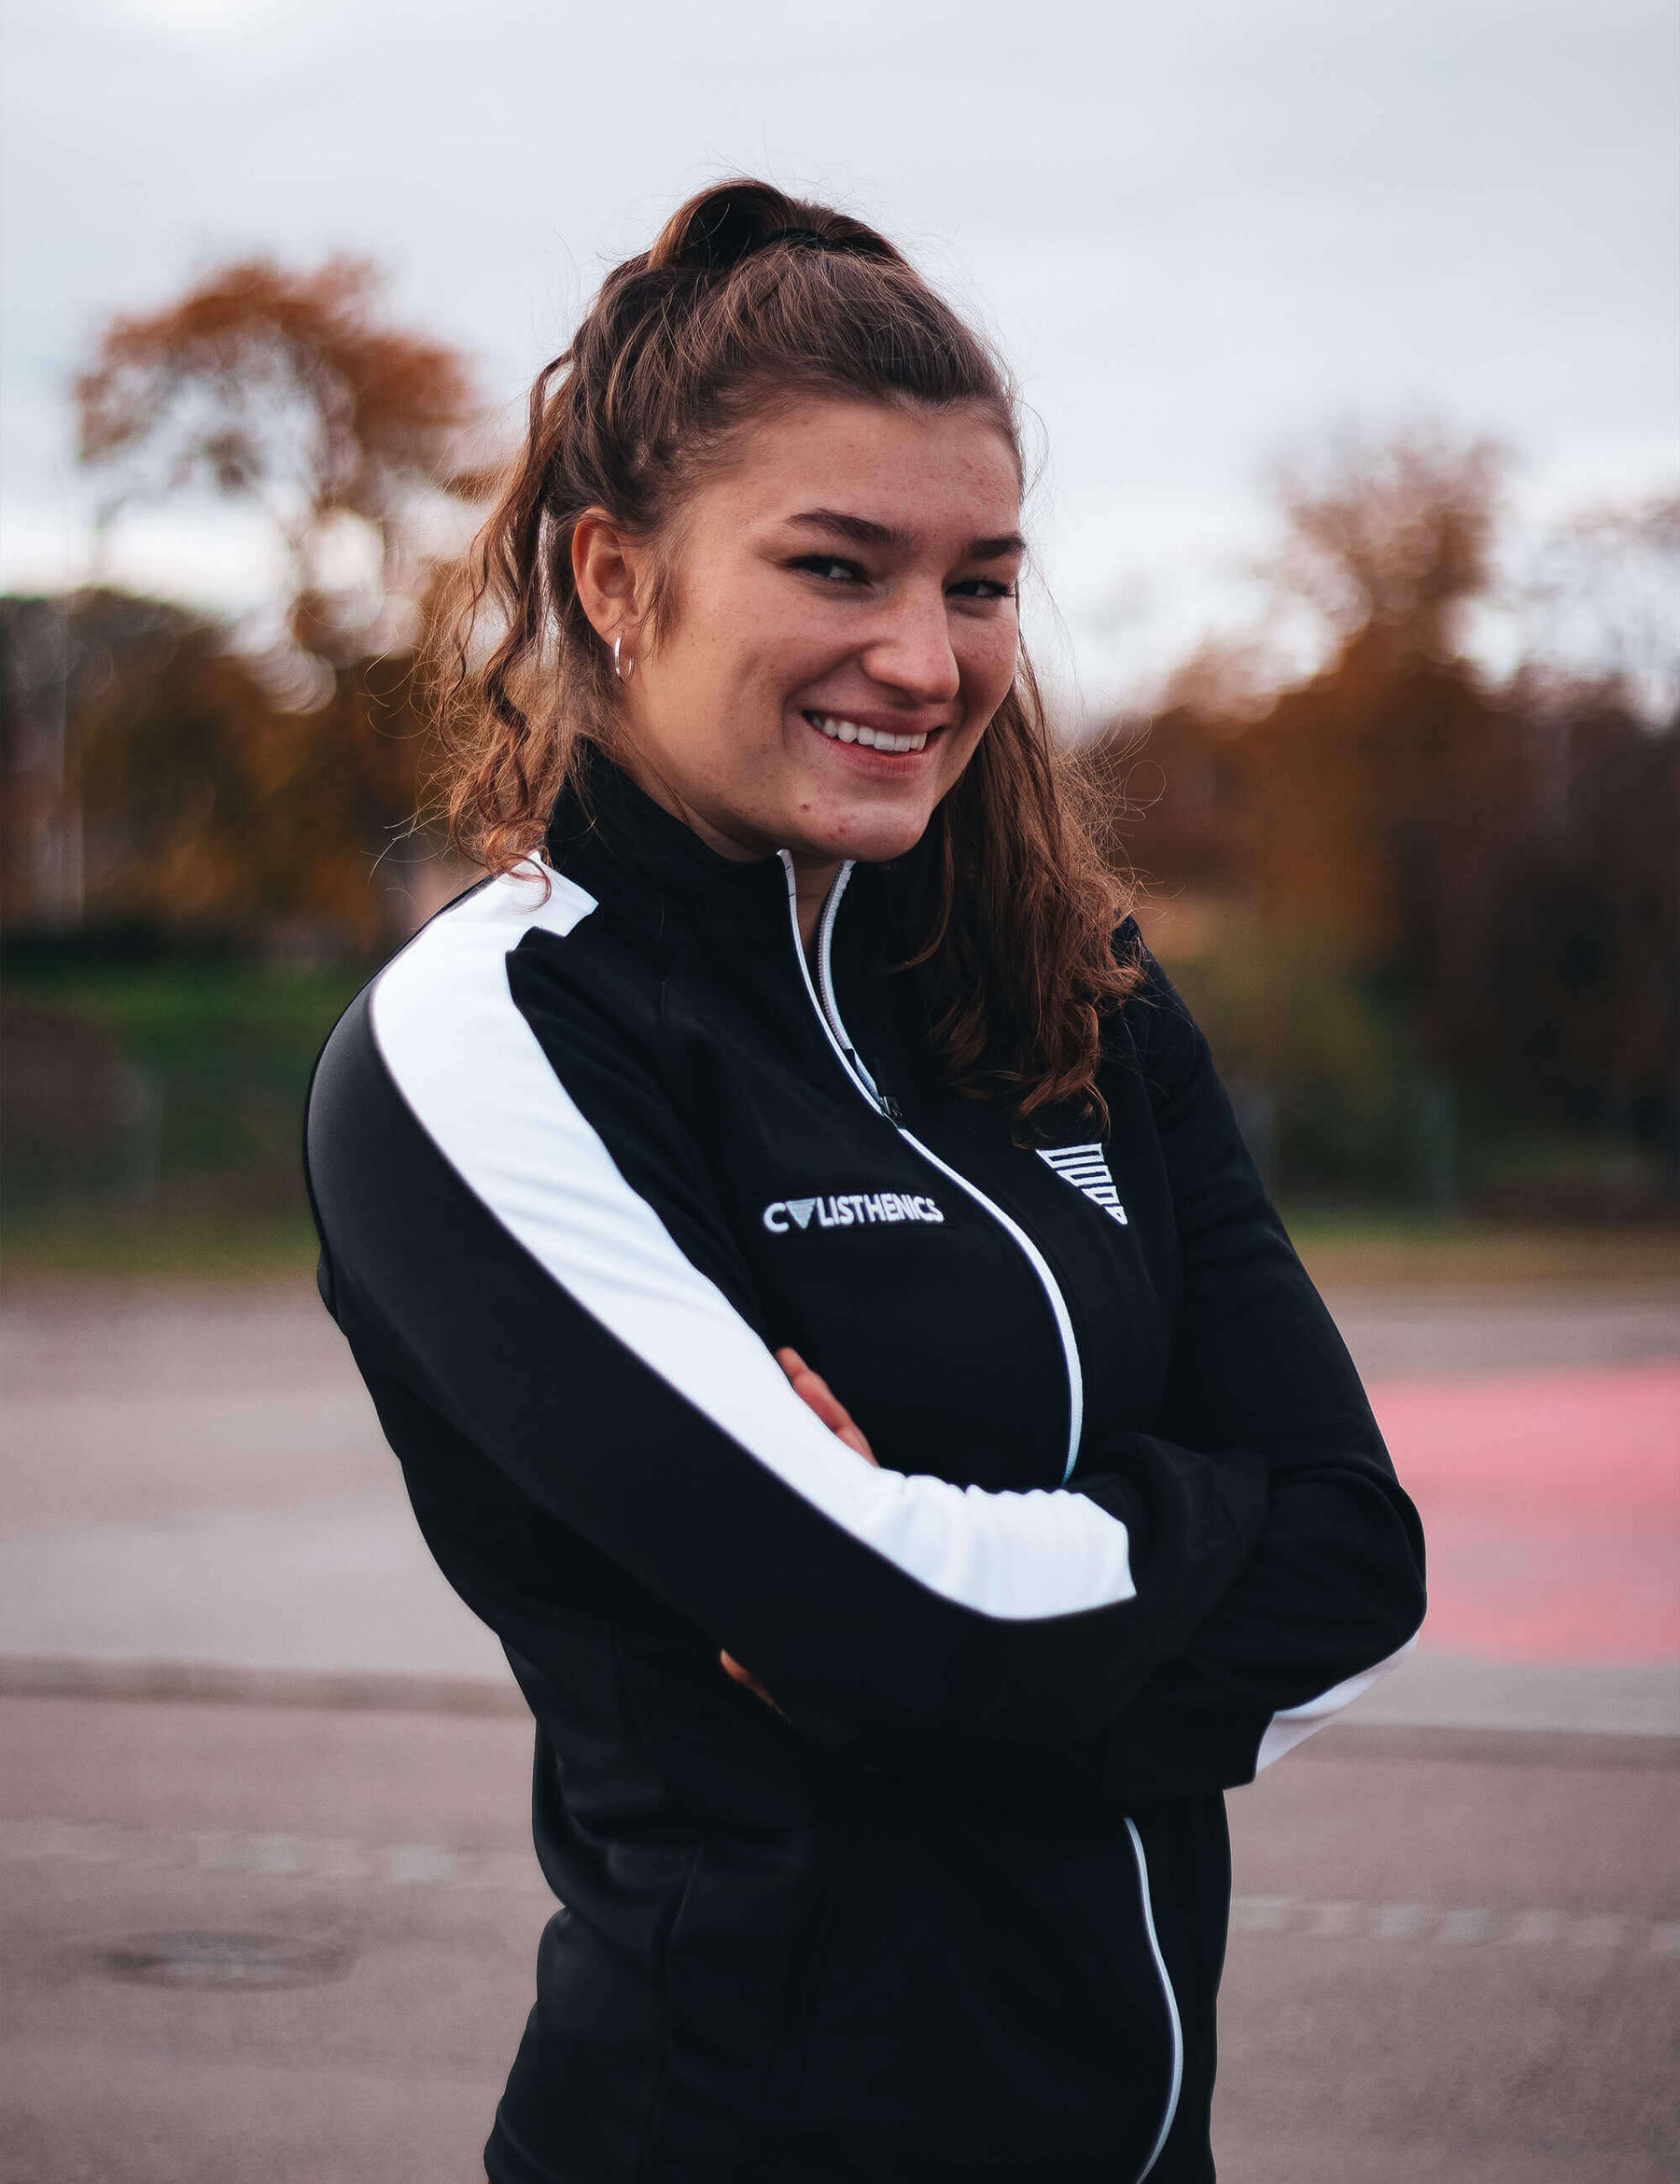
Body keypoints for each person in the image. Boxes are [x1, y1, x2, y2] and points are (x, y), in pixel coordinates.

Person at [303, 178, 1426, 2184]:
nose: (925, 659)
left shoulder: (1078, 986)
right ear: (616, 576)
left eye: (981, 582)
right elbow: (905, 1630)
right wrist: (1178, 1526)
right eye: (839, 566)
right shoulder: (483, 1044)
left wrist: (962, 1562)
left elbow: (1356, 1570)